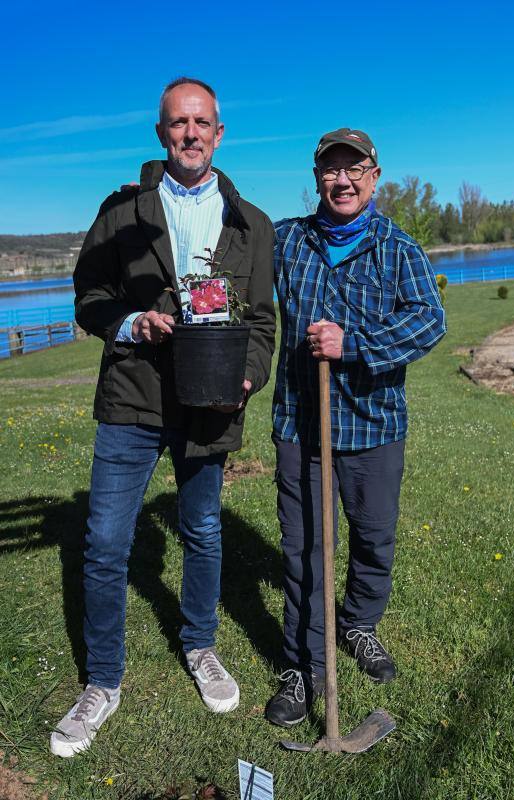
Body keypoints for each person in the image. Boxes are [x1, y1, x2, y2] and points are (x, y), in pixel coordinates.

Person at [50, 77, 275, 757]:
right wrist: (128, 323)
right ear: (160, 135)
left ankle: (200, 644)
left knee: (203, 529)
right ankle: (103, 682)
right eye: (178, 122)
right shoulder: (122, 212)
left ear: (219, 132)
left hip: (209, 403)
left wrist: (247, 374)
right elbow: (88, 296)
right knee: (106, 542)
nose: (190, 133)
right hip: (134, 398)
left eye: (202, 121)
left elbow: (260, 324)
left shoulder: (251, 225)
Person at [265, 128, 446, 727]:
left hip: (374, 429)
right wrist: (155, 191)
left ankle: (360, 625)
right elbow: (228, 237)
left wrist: (356, 344)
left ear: (374, 176)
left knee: (373, 539)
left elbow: (429, 323)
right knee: (304, 549)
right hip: (301, 426)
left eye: (354, 169)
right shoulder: (289, 242)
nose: (341, 180)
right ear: (317, 177)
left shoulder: (399, 249)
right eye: (330, 170)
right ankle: (302, 663)